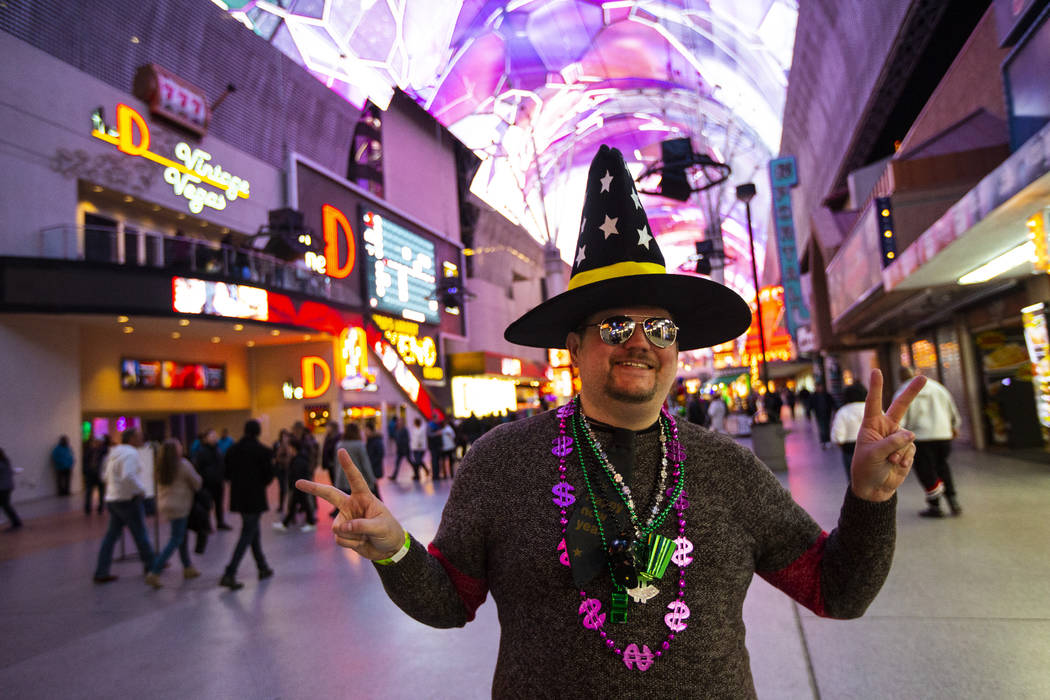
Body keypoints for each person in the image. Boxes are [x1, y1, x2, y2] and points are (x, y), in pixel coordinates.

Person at [296, 145, 927, 695]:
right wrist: (395, 551)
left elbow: (835, 590)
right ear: (572, 347)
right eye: (616, 326)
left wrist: (870, 499)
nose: (640, 343)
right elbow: (449, 599)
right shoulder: (500, 461)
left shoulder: (727, 469)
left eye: (659, 327)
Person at [897, 366, 963, 518]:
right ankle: (953, 500)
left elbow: (900, 418)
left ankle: (935, 505)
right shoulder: (938, 387)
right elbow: (951, 408)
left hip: (920, 438)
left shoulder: (903, 391)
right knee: (943, 466)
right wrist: (954, 426)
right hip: (943, 435)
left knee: (927, 471)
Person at [92, 428, 155, 583]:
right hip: (128, 499)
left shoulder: (113, 453)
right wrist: (141, 490)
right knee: (140, 534)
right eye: (140, 436)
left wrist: (116, 487)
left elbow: (104, 475)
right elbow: (128, 475)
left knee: (111, 536)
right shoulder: (131, 454)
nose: (142, 439)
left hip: (113, 499)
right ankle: (152, 566)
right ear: (132, 438)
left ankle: (101, 571)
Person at [220, 419, 275, 590]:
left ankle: (262, 567)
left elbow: (226, 474)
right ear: (258, 432)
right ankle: (230, 573)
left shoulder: (232, 450)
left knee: (252, 531)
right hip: (255, 497)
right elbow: (269, 476)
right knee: (247, 533)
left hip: (239, 498)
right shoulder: (263, 452)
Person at [145, 439, 203, 588]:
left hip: (165, 505)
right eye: (179, 446)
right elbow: (196, 483)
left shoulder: (160, 466)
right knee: (176, 538)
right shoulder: (183, 464)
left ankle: (187, 567)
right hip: (180, 505)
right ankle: (155, 571)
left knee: (181, 536)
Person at [274, 437, 318, 531]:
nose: (288, 449)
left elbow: (299, 475)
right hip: (298, 486)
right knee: (295, 505)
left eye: (289, 447)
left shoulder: (299, 460)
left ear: (293, 448)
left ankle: (310, 522)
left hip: (299, 487)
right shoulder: (297, 458)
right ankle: (286, 524)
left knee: (303, 504)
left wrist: (296, 485)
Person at [831, 383, 868, 480]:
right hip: (873, 447)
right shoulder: (872, 409)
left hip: (850, 450)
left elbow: (838, 437)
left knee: (854, 481)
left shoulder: (843, 412)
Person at [194, 430, 230, 530]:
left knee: (219, 504)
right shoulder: (201, 452)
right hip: (207, 483)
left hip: (218, 482)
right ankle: (207, 525)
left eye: (215, 436)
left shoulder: (217, 450)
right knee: (207, 505)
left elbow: (222, 464)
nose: (214, 438)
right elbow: (198, 468)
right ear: (206, 439)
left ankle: (220, 522)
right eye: (212, 436)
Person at [334, 424, 377, 500]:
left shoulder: (339, 445)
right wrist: (371, 480)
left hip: (341, 481)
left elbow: (337, 464)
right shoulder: (359, 445)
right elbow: (365, 465)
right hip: (356, 481)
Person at [82, 435, 109, 514]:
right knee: (88, 492)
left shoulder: (104, 451)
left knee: (101, 492)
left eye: (99, 442)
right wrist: (86, 471)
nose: (97, 443)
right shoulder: (89, 451)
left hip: (99, 474)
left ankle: (100, 507)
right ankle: (87, 508)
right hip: (90, 474)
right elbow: (85, 462)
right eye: (95, 441)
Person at [0, 447, 23, 531]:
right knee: (5, 505)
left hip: (3, 487)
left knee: (6, 505)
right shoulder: (6, 461)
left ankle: (16, 522)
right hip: (8, 486)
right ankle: (16, 521)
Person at [272, 429, 293, 514]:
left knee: (289, 488)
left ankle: (289, 507)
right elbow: (274, 455)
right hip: (280, 469)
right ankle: (281, 506)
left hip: (288, 469)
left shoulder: (290, 445)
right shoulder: (277, 444)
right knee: (282, 488)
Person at [811, 381, 836, 448]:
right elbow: (811, 404)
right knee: (822, 428)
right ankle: (823, 441)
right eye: (817, 387)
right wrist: (808, 412)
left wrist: (835, 409)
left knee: (827, 427)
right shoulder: (814, 396)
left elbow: (832, 402)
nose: (819, 388)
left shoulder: (827, 394)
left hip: (827, 414)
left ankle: (828, 441)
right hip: (819, 414)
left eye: (820, 386)